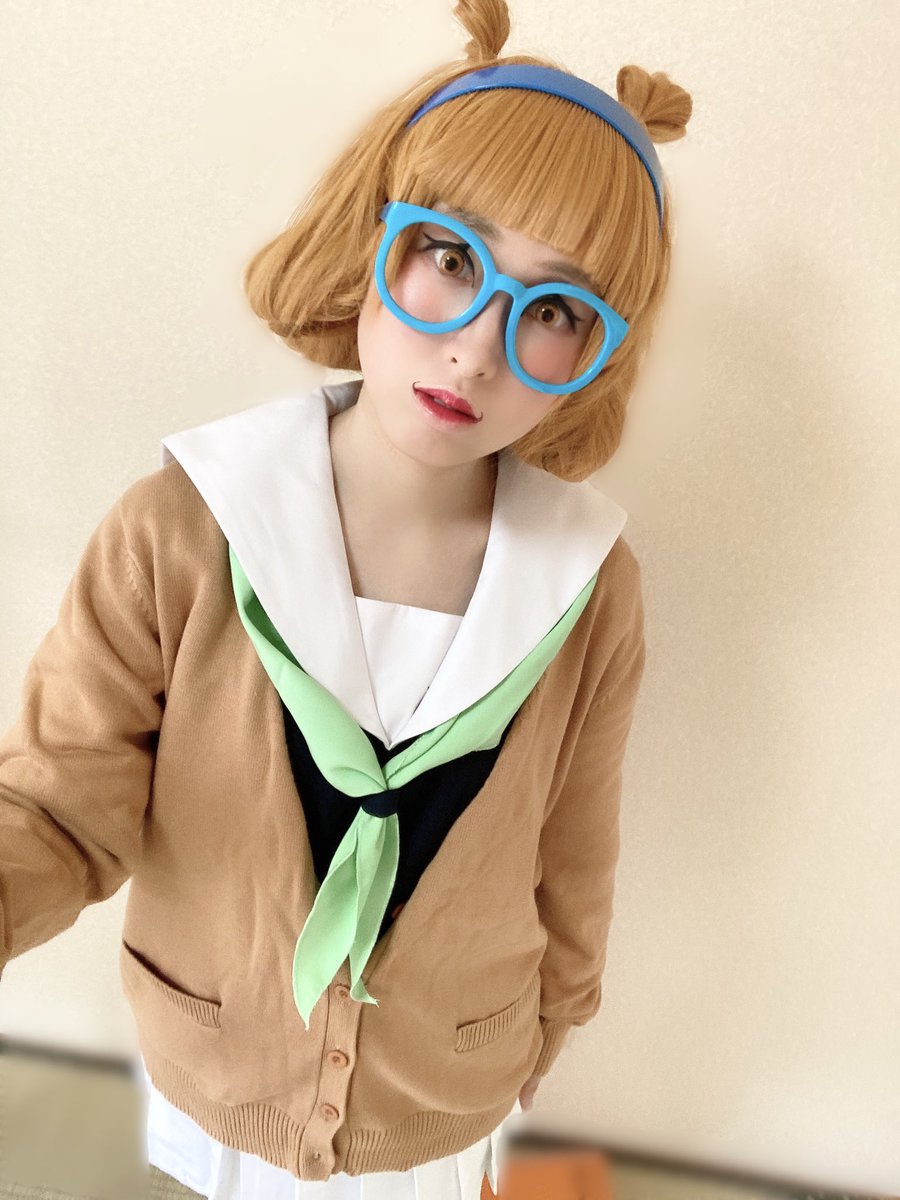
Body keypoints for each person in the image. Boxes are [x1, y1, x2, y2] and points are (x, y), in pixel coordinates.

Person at [0, 0, 692, 1196]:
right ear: (374, 238)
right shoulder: (181, 530)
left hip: (450, 1088)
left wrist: (557, 1016)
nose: (477, 348)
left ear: (596, 358)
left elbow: (573, 843)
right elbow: (60, 803)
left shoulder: (591, 586)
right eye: (451, 257)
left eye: (556, 311)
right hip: (220, 1053)